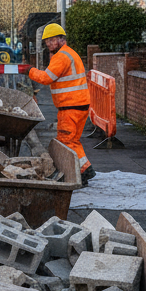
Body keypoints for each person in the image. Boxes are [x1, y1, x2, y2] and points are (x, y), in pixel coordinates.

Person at [27, 23, 95, 184]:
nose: (49, 44)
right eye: (47, 41)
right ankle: (86, 169)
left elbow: (45, 78)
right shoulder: (69, 54)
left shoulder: (61, 57)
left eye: (52, 40)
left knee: (65, 141)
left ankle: (79, 174)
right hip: (79, 105)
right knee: (73, 141)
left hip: (70, 107)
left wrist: (29, 71)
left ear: (61, 39)